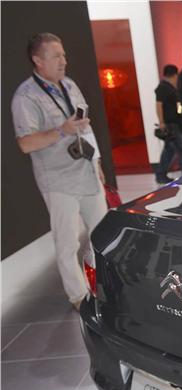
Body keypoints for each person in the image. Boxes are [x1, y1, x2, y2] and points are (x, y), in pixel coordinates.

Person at [11, 32, 108, 310]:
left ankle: (104, 286)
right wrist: (61, 131)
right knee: (67, 243)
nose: (63, 61)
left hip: (86, 173)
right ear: (38, 60)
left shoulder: (70, 85)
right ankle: (78, 296)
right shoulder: (26, 96)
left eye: (63, 55)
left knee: (103, 236)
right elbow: (26, 143)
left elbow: (85, 127)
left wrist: (97, 163)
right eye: (56, 56)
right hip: (58, 180)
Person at [154, 64, 182, 184]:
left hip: (175, 122)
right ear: (174, 75)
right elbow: (159, 105)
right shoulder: (163, 88)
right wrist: (161, 122)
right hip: (171, 124)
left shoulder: (169, 88)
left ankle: (161, 174)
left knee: (170, 150)